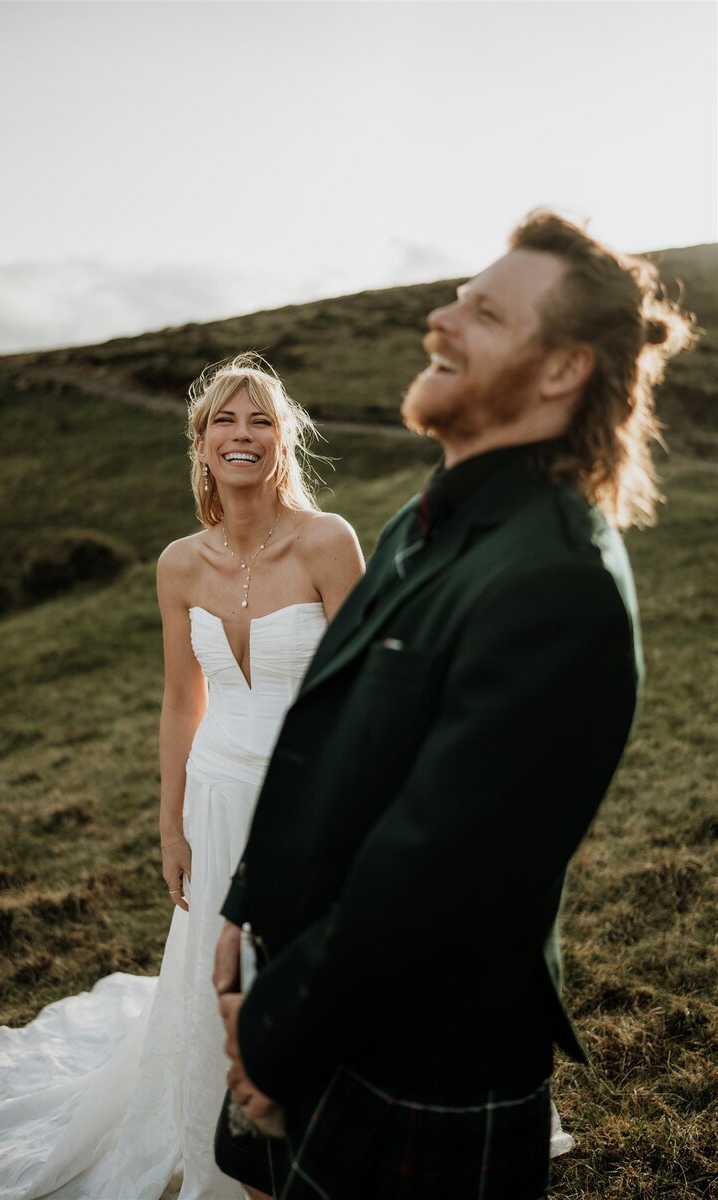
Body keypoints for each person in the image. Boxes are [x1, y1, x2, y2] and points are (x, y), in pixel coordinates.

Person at [213, 213, 698, 1199]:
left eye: (480, 311)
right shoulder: (419, 518)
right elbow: (327, 731)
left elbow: (436, 880)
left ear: (560, 370)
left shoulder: (555, 584)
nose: (437, 317)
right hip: (324, 1002)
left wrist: (271, 1034)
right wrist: (247, 903)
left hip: (416, 1060)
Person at [0, 354, 364, 1200]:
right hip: (216, 790)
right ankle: (223, 1140)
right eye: (225, 422)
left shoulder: (327, 542)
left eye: (260, 420)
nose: (242, 436)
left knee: (313, 970)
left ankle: (331, 1137)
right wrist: (170, 825)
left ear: (283, 440)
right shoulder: (177, 564)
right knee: (218, 980)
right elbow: (177, 702)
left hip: (313, 794)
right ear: (200, 446)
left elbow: (370, 688)